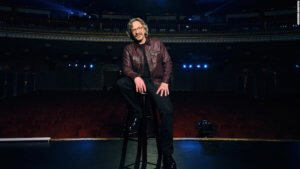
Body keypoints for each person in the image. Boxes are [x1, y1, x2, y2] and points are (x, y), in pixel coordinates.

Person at [116, 17, 176, 169]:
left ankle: (168, 157)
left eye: (139, 28)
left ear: (144, 28)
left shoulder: (156, 42)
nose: (137, 31)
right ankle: (138, 112)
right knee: (121, 82)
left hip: (156, 83)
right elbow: (126, 69)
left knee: (167, 112)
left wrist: (165, 81)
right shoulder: (129, 49)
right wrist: (136, 77)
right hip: (140, 82)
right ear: (131, 33)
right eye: (133, 29)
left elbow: (167, 62)